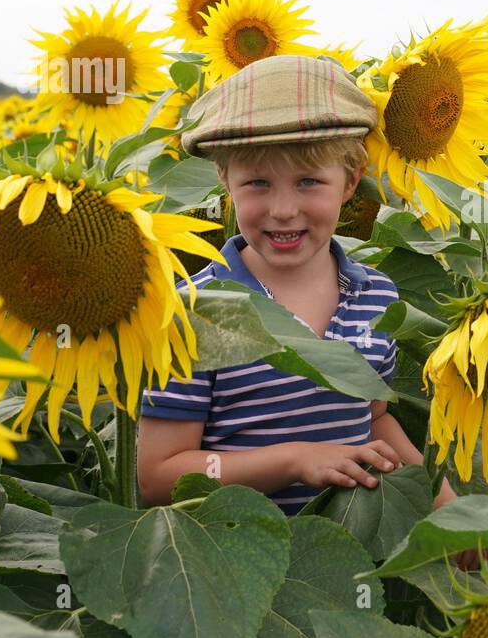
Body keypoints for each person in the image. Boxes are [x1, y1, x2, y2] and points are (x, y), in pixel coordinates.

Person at [136, 54, 462, 523]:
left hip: (349, 563)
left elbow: (372, 418)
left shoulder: (377, 297)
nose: (284, 209)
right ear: (225, 181)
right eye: (258, 184)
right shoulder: (196, 312)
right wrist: (293, 461)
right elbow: (160, 478)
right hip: (235, 560)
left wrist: (440, 501)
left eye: (309, 181)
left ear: (349, 182)